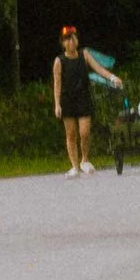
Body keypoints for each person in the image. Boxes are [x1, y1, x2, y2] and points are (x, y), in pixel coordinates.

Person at [52, 24, 97, 175]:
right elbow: (57, 84)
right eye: (67, 40)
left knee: (84, 132)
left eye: (73, 38)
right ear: (63, 43)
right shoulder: (59, 61)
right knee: (71, 134)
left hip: (83, 98)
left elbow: (98, 68)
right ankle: (74, 166)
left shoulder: (84, 54)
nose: (71, 42)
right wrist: (57, 104)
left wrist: (111, 77)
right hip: (67, 100)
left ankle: (85, 160)